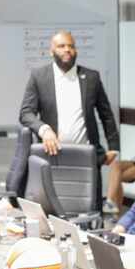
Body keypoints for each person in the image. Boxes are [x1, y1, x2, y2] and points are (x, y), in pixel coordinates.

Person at [19, 30, 119, 167]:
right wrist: (44, 130)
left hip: (86, 156)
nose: (67, 50)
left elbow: (106, 114)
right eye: (61, 46)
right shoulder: (39, 77)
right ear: (51, 51)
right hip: (52, 155)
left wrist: (114, 147)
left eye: (71, 46)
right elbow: (26, 113)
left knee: (91, 189)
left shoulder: (91, 77)